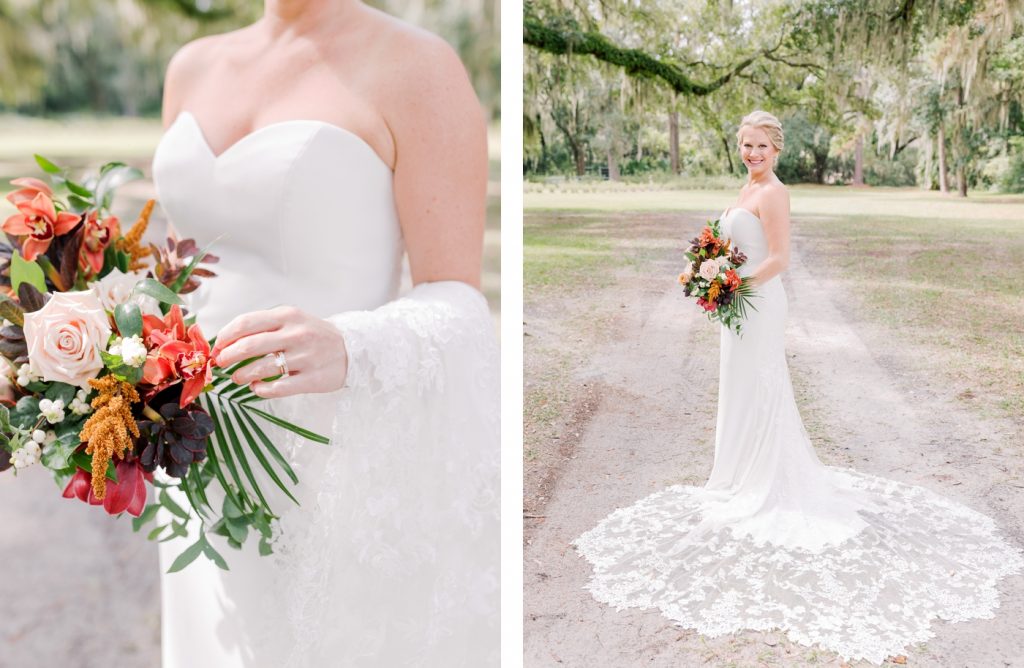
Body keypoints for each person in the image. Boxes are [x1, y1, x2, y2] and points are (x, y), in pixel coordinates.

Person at [572, 110, 1022, 664]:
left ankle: (763, 478)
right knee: (737, 389)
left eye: (760, 146)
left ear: (777, 149)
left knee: (761, 388)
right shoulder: (746, 185)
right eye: (745, 145)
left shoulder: (776, 192)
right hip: (737, 304)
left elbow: (780, 259)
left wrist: (728, 280)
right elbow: (727, 241)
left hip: (758, 304)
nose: (752, 154)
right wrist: (709, 270)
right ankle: (736, 473)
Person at [150, 0, 499, 665]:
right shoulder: (190, 66)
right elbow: (177, 271)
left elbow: (456, 299)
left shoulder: (420, 67)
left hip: (325, 451)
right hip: (189, 442)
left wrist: (353, 346)